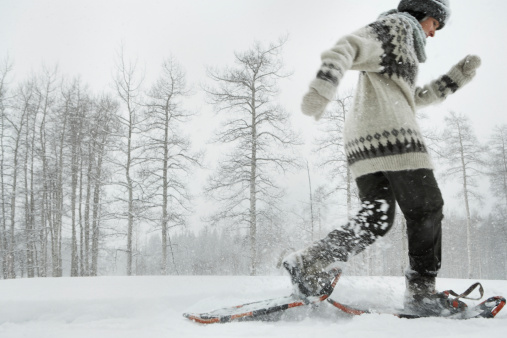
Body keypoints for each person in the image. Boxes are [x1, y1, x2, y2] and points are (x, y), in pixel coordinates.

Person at [283, 0, 481, 316]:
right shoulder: (399, 27)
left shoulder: (399, 47)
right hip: (394, 137)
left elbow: (411, 98)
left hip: (363, 141)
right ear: (424, 15)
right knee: (426, 207)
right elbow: (348, 46)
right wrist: (322, 89)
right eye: (435, 25)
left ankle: (311, 261)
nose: (433, 34)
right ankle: (422, 294)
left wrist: (454, 79)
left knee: (376, 216)